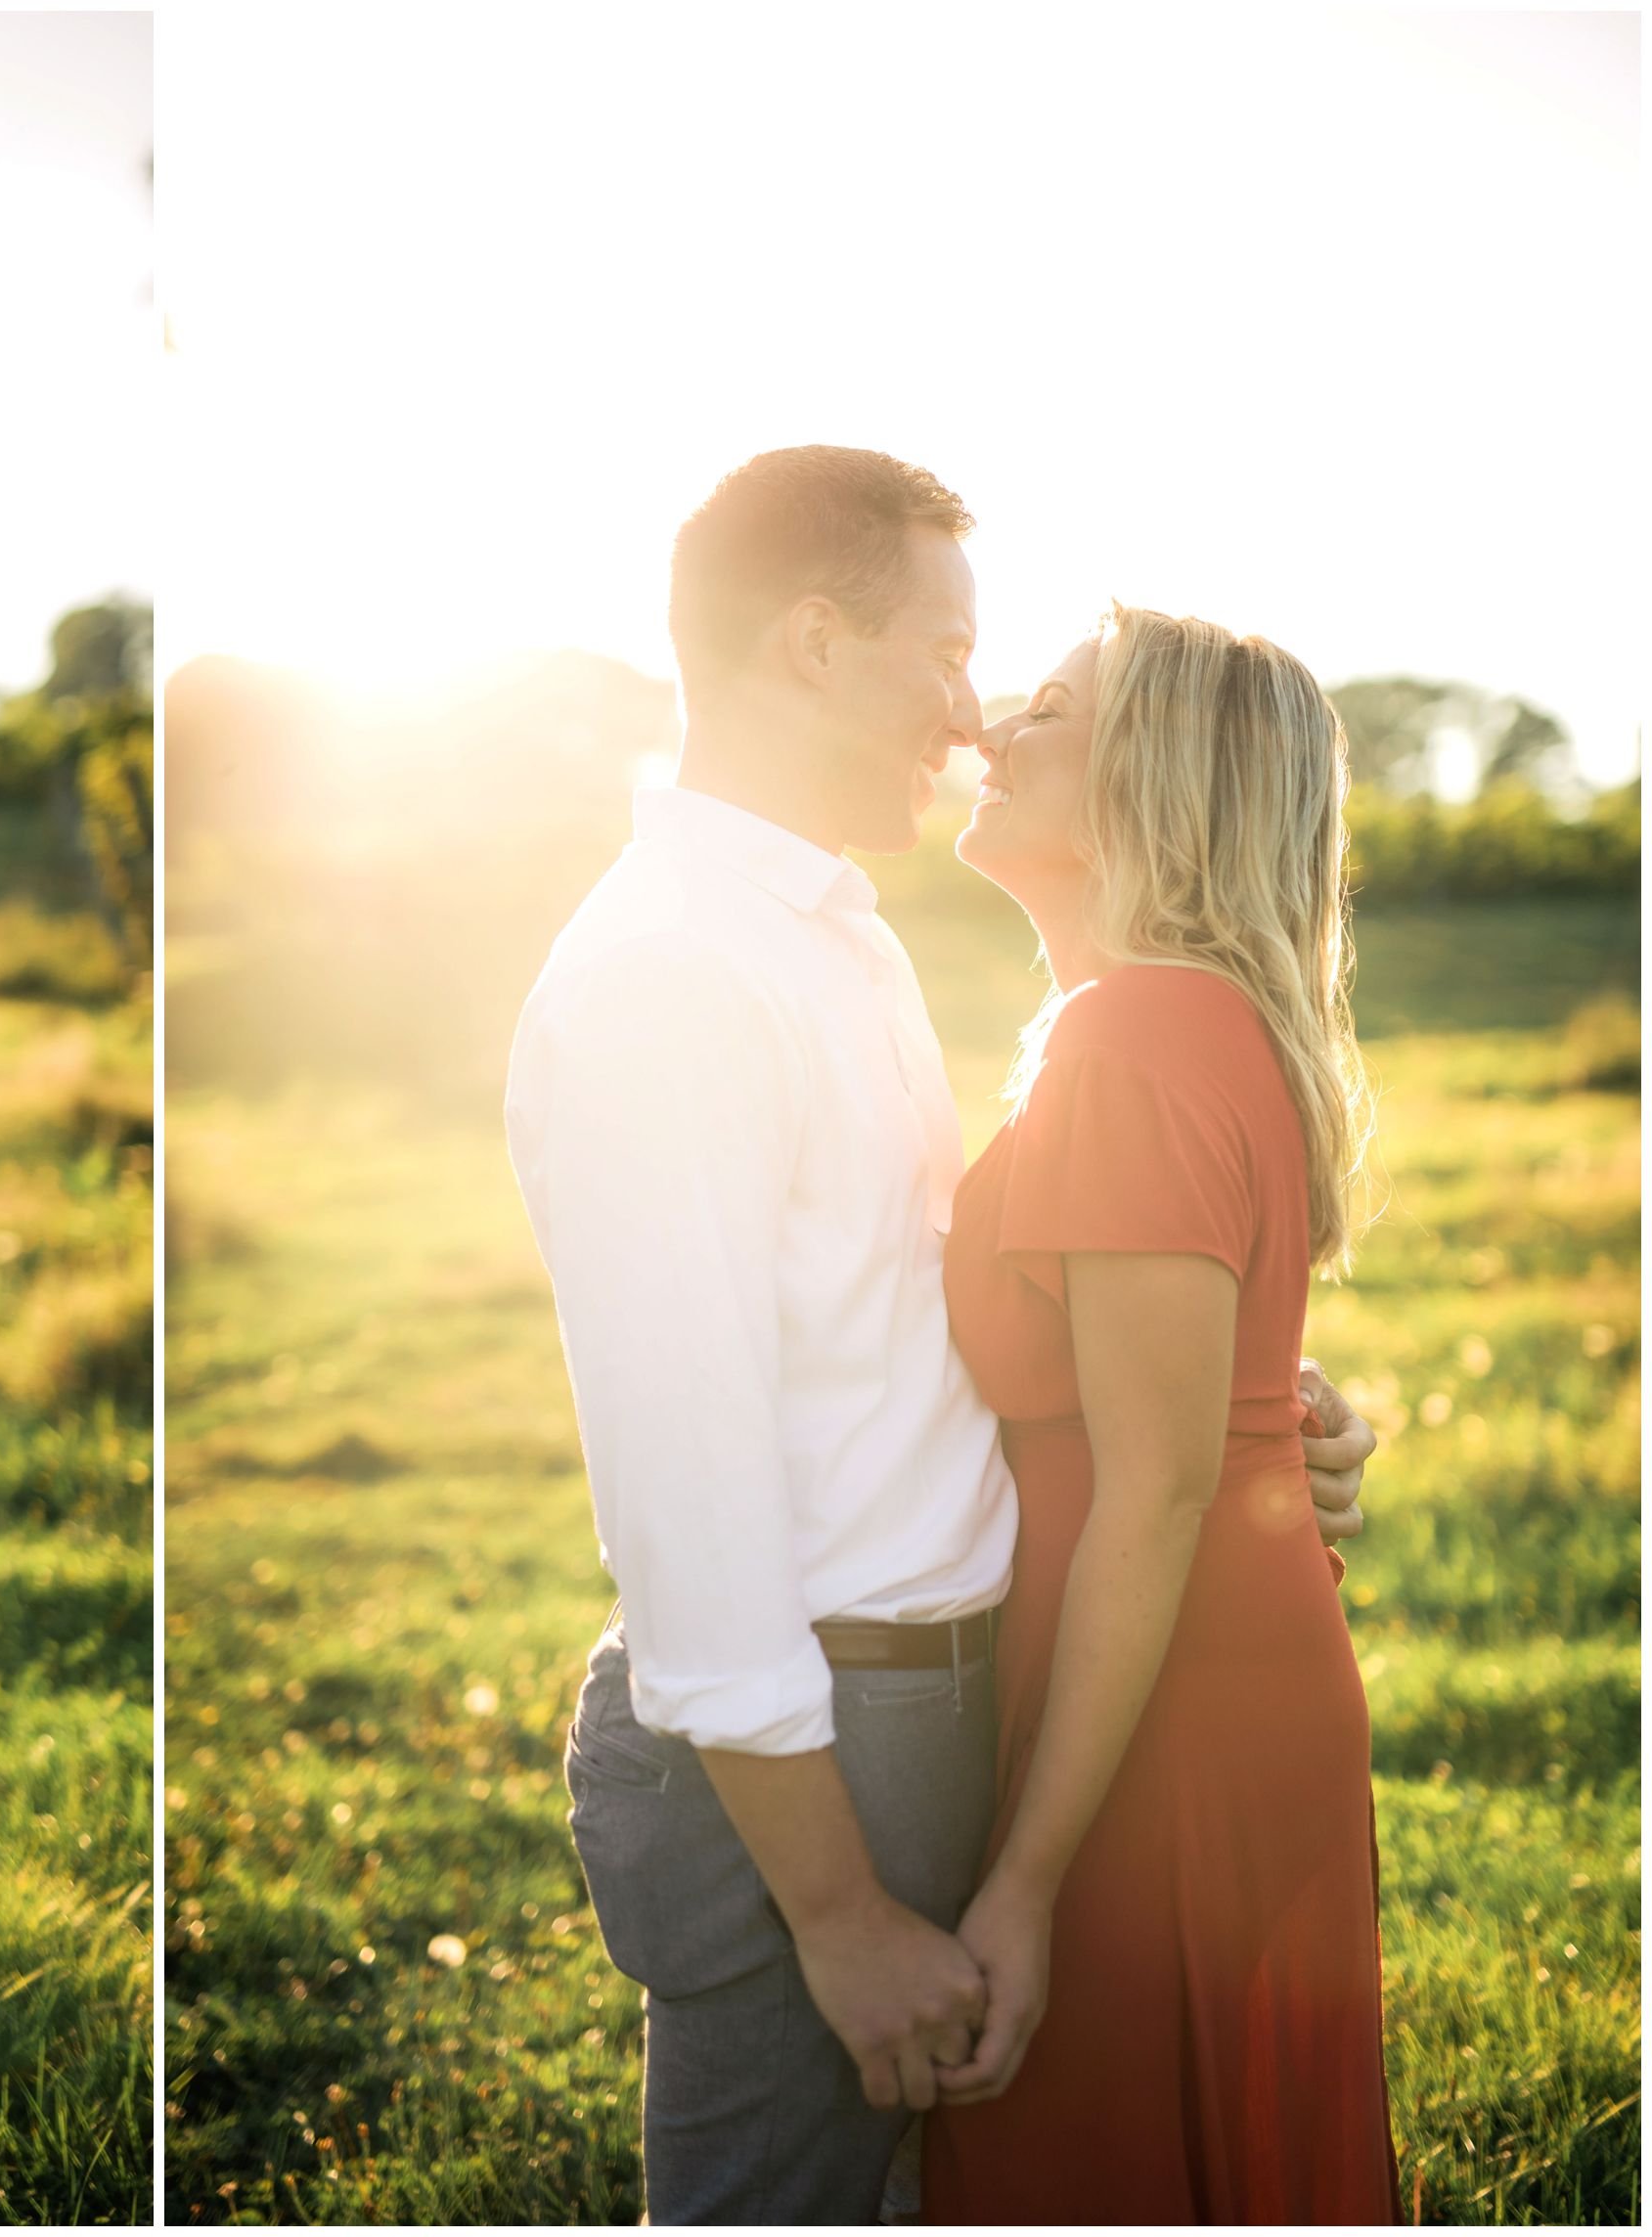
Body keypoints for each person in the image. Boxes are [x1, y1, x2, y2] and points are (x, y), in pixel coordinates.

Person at [503, 445, 1380, 2222]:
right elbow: (691, 1506)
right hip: (822, 1737)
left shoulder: (846, 943)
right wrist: (834, 1908)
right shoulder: (669, 972)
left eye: (1016, 682)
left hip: (974, 1709)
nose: (971, 714)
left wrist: (1249, 1416)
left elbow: (929, 1310)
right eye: (950, 653)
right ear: (814, 645)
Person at [919, 609, 1401, 2218]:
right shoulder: (1171, 1022)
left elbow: (1157, 1494)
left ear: (1155, 780)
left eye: (1046, 708)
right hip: (1198, 1662)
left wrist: (1025, 1882)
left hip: (1162, 1700)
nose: (993, 725)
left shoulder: (1132, 1035)